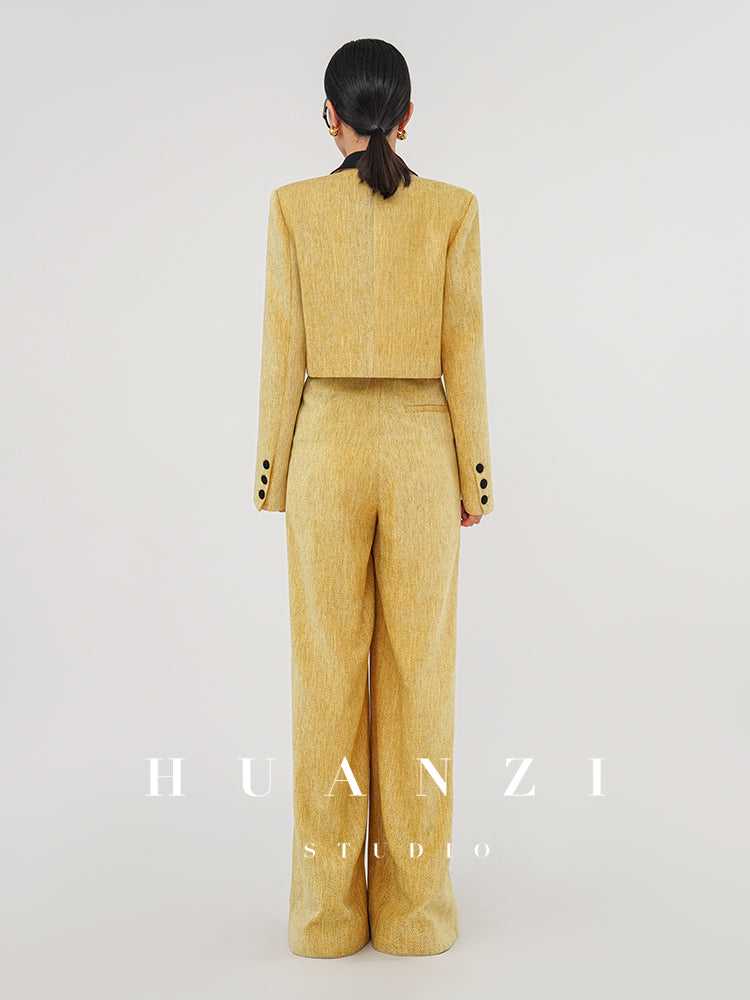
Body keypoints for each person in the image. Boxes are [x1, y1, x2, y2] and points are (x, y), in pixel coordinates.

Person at [253, 38, 494, 958]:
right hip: (423, 451)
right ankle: (414, 915)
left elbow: (282, 348)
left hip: (324, 450)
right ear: (406, 117)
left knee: (323, 676)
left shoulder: (294, 207)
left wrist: (272, 472)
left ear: (330, 116)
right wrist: (474, 473)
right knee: (421, 677)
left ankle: (324, 920)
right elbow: (465, 349)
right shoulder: (452, 209)